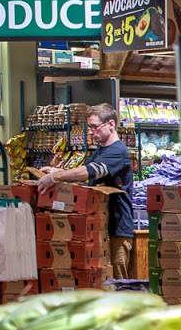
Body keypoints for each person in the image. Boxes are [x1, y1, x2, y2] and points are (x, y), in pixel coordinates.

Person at [38, 103, 135, 280]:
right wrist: (58, 173)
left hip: (117, 228)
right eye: (89, 127)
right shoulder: (101, 151)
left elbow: (89, 171)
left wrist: (56, 177)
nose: (90, 132)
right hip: (100, 225)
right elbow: (84, 171)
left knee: (117, 281)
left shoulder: (118, 152)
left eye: (94, 126)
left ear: (111, 125)